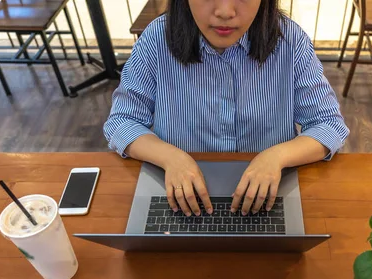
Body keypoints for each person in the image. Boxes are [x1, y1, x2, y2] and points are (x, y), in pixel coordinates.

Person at [104, 0, 349, 217]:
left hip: (268, 192)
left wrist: (277, 157)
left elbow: (328, 124)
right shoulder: (157, 39)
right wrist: (170, 157)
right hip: (178, 192)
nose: (225, 11)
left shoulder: (290, 41)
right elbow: (122, 121)